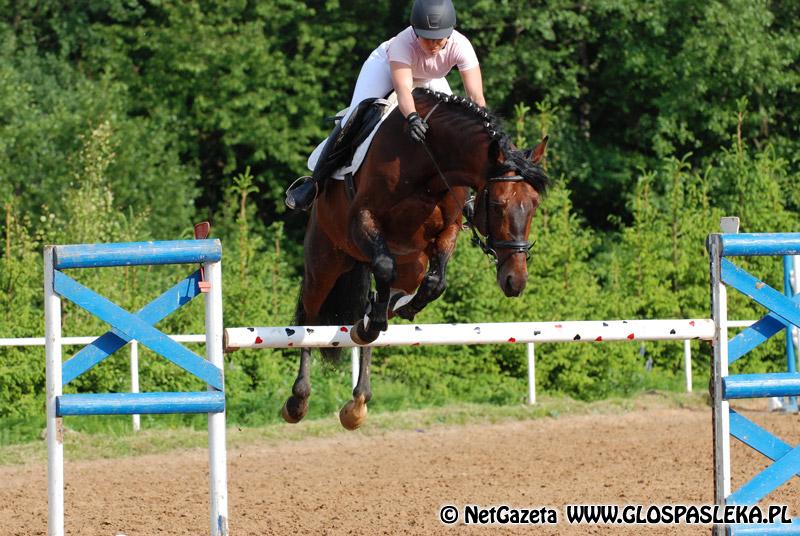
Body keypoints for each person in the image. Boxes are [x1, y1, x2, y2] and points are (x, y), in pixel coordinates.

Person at [285, 0, 486, 210]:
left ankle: (466, 196)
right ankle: (315, 182)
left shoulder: (461, 46)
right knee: (355, 116)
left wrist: (482, 128)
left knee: (453, 126)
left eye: (439, 39)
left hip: (428, 77)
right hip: (386, 69)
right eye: (427, 39)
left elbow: (476, 96)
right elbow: (403, 90)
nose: (434, 45)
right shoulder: (402, 43)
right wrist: (412, 117)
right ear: (415, 31)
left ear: (451, 32)